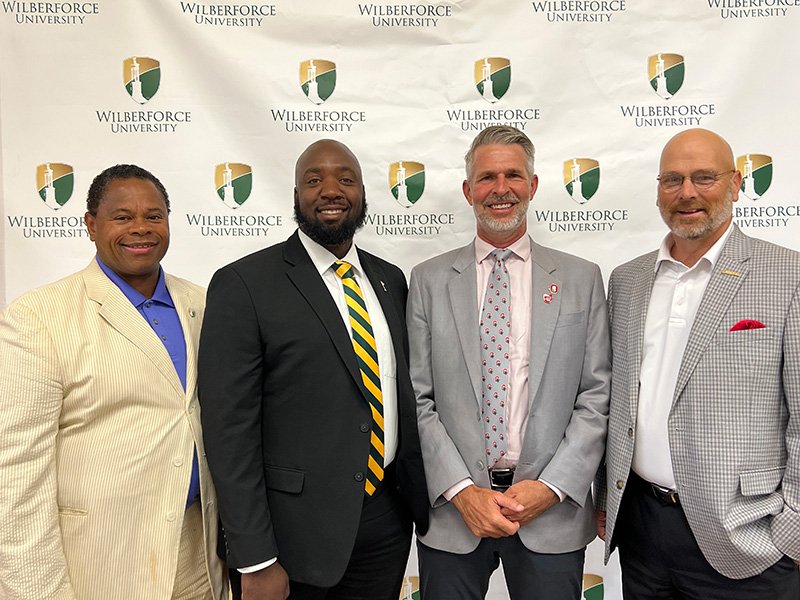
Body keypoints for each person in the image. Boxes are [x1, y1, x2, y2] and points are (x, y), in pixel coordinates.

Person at [197, 139, 429, 600]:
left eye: (346, 179)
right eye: (314, 179)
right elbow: (228, 431)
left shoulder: (390, 280)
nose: (331, 190)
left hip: (385, 522)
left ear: (362, 193)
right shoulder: (244, 284)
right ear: (295, 194)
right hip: (291, 537)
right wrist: (255, 556)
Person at [0, 164, 228, 599]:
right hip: (100, 562)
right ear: (91, 225)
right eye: (122, 217)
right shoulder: (37, 317)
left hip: (200, 555)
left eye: (154, 216)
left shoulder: (205, 304)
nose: (140, 228)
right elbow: (15, 478)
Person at [407, 125, 611, 599]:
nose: (501, 189)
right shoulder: (429, 281)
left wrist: (552, 487)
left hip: (551, 512)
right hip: (455, 515)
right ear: (467, 190)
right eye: (487, 177)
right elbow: (417, 397)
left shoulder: (581, 279)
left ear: (534, 186)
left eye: (513, 175)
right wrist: (462, 491)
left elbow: (596, 395)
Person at [595, 128, 800, 599]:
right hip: (642, 530)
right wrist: (608, 497)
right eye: (672, 179)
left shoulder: (787, 276)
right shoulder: (626, 281)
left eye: (704, 177)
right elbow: (619, 402)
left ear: (735, 183)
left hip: (747, 538)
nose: (687, 192)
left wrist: (789, 534)